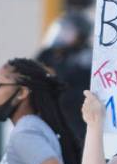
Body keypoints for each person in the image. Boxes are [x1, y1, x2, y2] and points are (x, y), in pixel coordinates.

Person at [37, 11, 92, 145]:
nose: (62, 33)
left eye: (68, 30)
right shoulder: (48, 54)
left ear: (80, 34)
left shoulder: (88, 57)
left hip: (76, 125)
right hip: (49, 120)